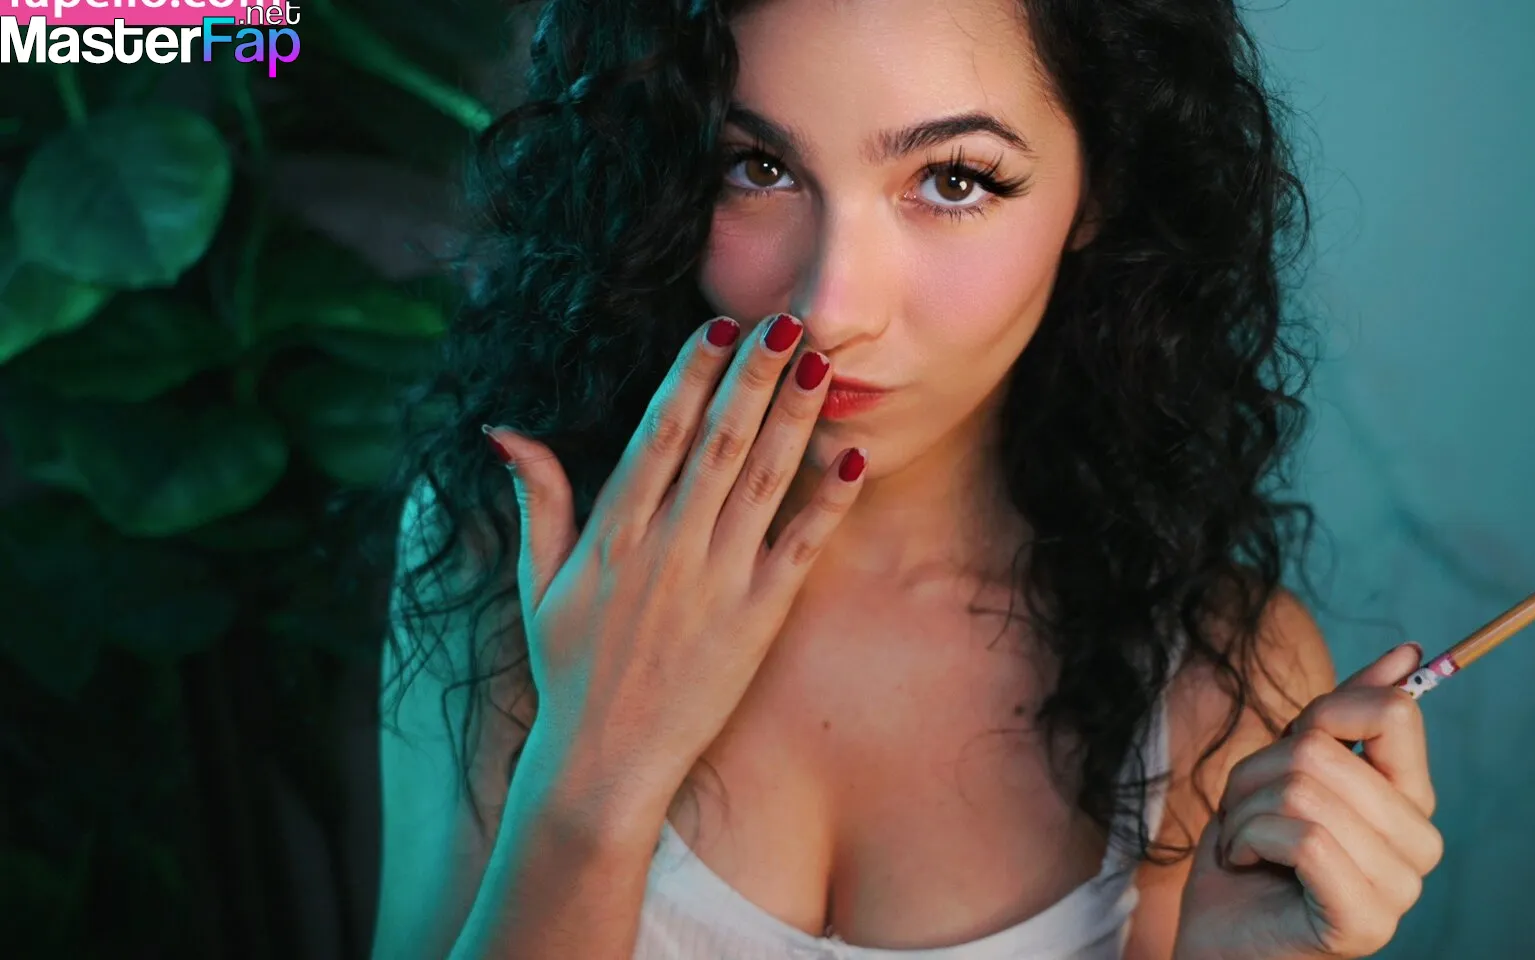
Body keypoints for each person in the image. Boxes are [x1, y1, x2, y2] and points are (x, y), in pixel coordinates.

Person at [370, 0, 1444, 957]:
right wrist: (593, 779)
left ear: (1101, 188)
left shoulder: (1214, 674)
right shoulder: (517, 556)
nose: (831, 308)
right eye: (758, 167)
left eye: (953, 180)